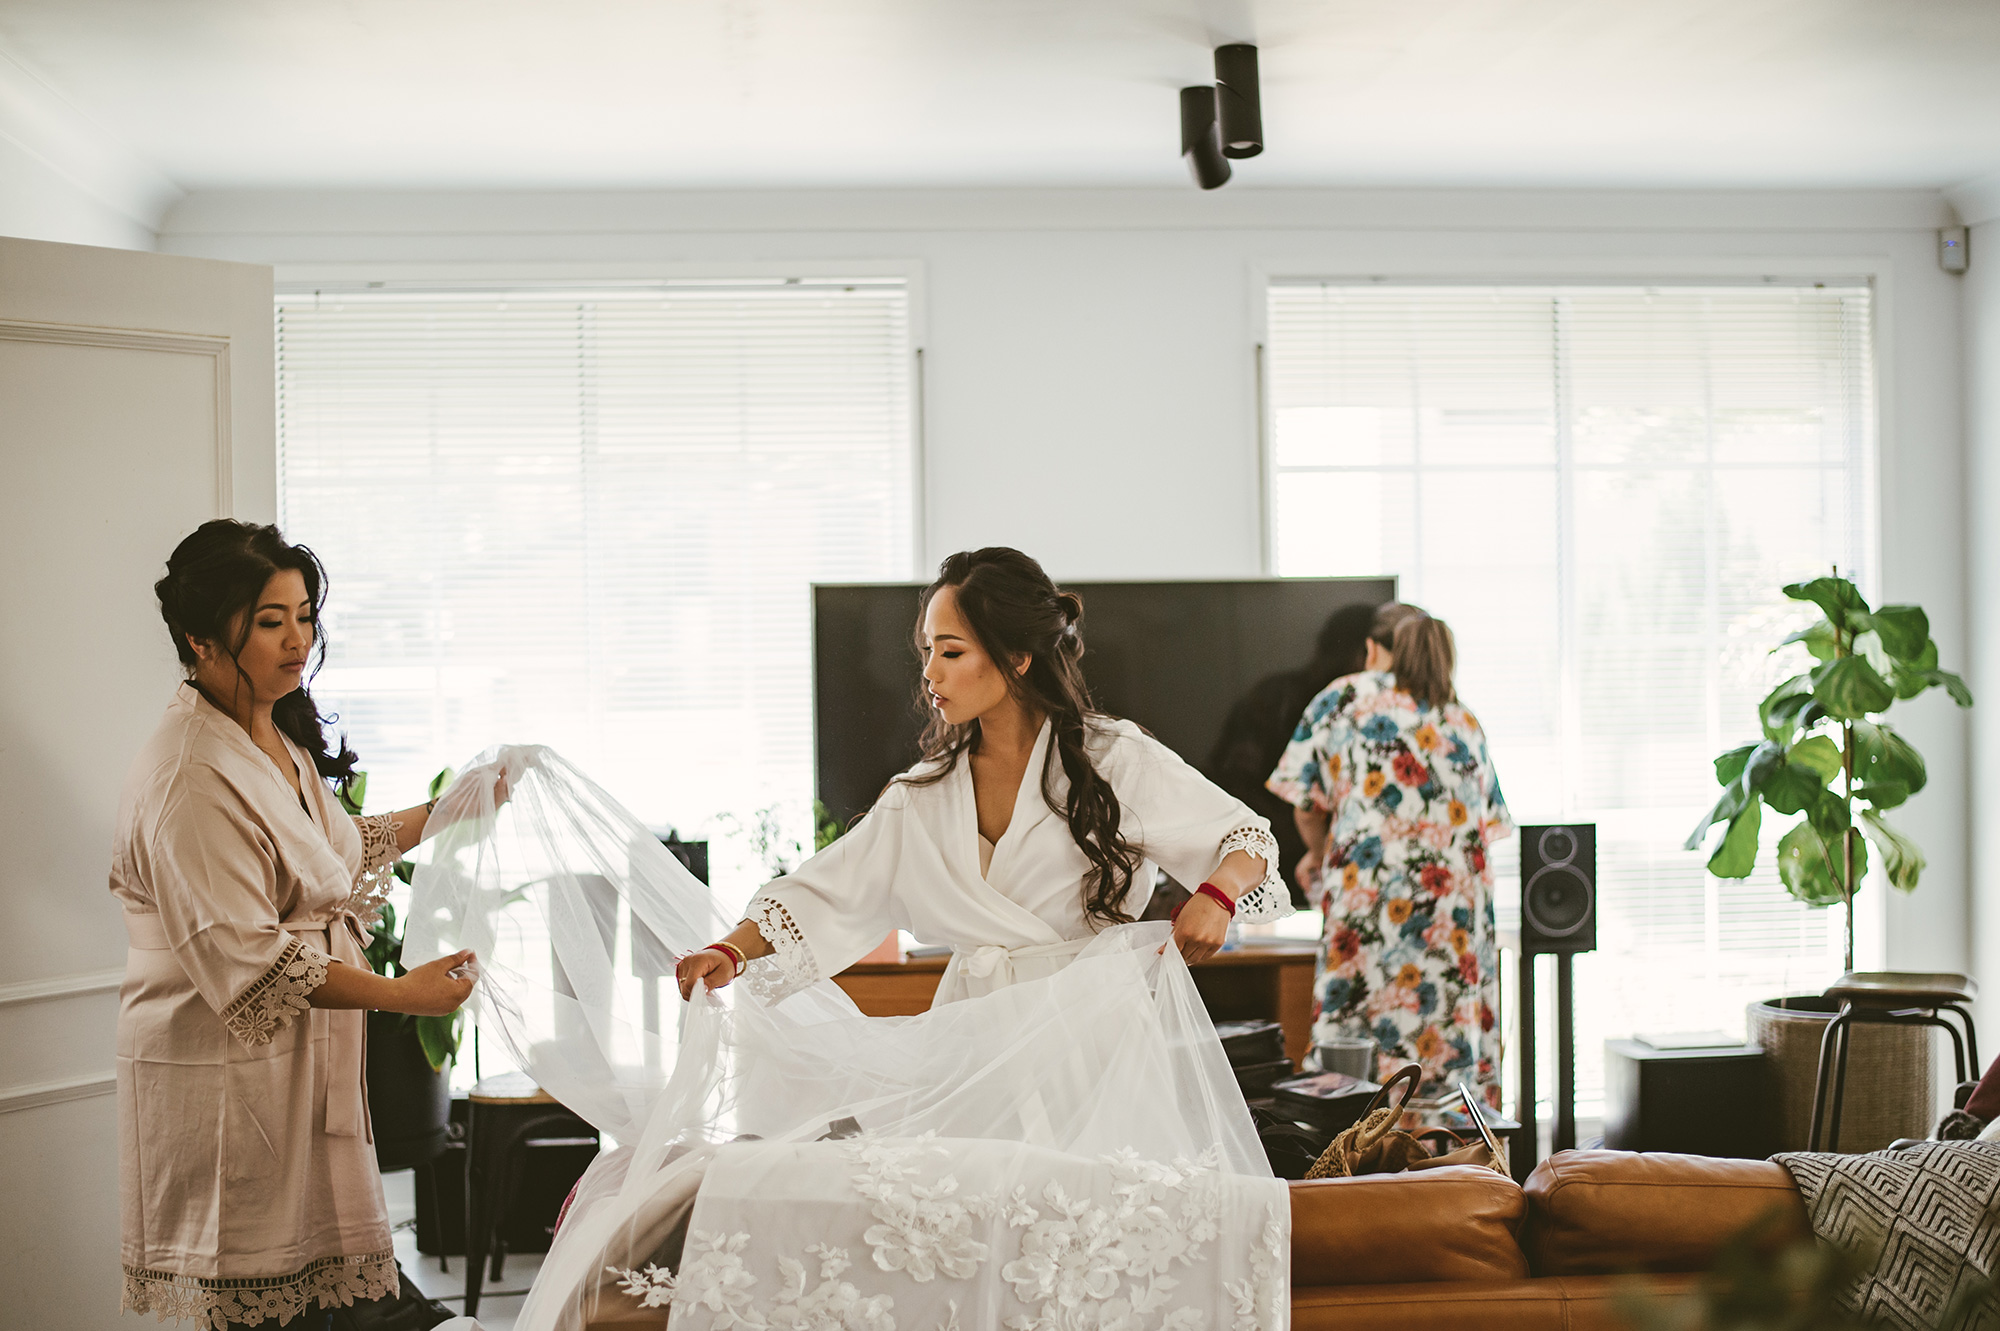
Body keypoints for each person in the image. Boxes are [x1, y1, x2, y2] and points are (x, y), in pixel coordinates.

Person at [113, 520, 479, 1331]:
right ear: (199, 638)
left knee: (332, 1290)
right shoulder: (188, 775)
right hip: (227, 1079)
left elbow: (336, 850)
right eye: (270, 620)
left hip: (297, 1074)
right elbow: (248, 954)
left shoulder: (271, 736)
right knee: (268, 1296)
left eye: (305, 615)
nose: (298, 641)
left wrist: (453, 807)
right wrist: (396, 993)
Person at [675, 545, 1291, 1006]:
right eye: (926, 652)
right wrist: (729, 948)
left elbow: (1247, 839)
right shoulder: (923, 795)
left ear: (1016, 658)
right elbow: (825, 889)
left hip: (1096, 1031)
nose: (930, 673)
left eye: (951, 651)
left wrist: (1214, 897)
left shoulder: (1115, 759)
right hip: (972, 1036)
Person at [1267, 602, 1512, 1103]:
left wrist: (1315, 855)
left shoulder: (1346, 695)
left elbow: (1306, 804)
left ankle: (1361, 1159)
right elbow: (1488, 826)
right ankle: (1451, 1162)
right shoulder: (1463, 717)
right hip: (1456, 912)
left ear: (1373, 650)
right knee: (1447, 1041)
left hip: (1372, 901)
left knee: (1354, 1055)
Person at [1202, 601, 1381, 907]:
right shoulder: (1283, 700)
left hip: (1305, 858)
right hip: (1262, 859)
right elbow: (1229, 781)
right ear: (1364, 652)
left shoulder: (1376, 710)